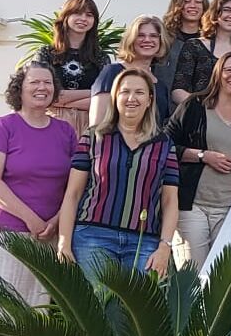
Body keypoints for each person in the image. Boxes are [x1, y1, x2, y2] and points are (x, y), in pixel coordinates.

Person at [59, 67, 179, 279]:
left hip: (144, 242)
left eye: (139, 92)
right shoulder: (94, 137)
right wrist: (64, 243)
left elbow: (170, 200)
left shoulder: (164, 144)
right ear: (115, 97)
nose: (131, 98)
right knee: (98, 309)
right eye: (125, 92)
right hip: (92, 238)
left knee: (137, 310)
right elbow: (73, 194)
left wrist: (165, 246)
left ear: (150, 100)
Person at [0, 62, 77, 303]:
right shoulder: (3, 126)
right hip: (6, 234)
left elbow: (76, 185)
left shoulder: (66, 131)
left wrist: (55, 221)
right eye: (34, 82)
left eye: (48, 82)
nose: (42, 87)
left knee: (37, 314)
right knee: (2, 313)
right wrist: (31, 220)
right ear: (19, 89)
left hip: (48, 237)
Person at [166, 51, 231, 269]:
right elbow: (164, 146)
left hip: (229, 206)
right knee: (193, 277)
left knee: (221, 277)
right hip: (192, 205)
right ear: (218, 73)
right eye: (230, 70)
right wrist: (202, 156)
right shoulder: (194, 106)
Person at [33, 0, 105, 135]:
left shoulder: (100, 57)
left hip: (89, 124)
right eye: (77, 13)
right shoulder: (46, 54)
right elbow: (42, 94)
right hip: (51, 122)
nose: (83, 19)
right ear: (65, 17)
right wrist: (91, 93)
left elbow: (104, 99)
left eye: (89, 15)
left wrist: (65, 101)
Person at [90, 14, 172, 130]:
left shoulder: (161, 86)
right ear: (131, 39)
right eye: (140, 35)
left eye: (153, 36)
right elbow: (96, 124)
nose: (147, 40)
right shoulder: (112, 73)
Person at [160, 0, 208, 101]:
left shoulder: (211, 41)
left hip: (202, 107)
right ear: (178, 5)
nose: (193, 5)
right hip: (165, 108)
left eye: (198, 1)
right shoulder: (164, 38)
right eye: (187, 1)